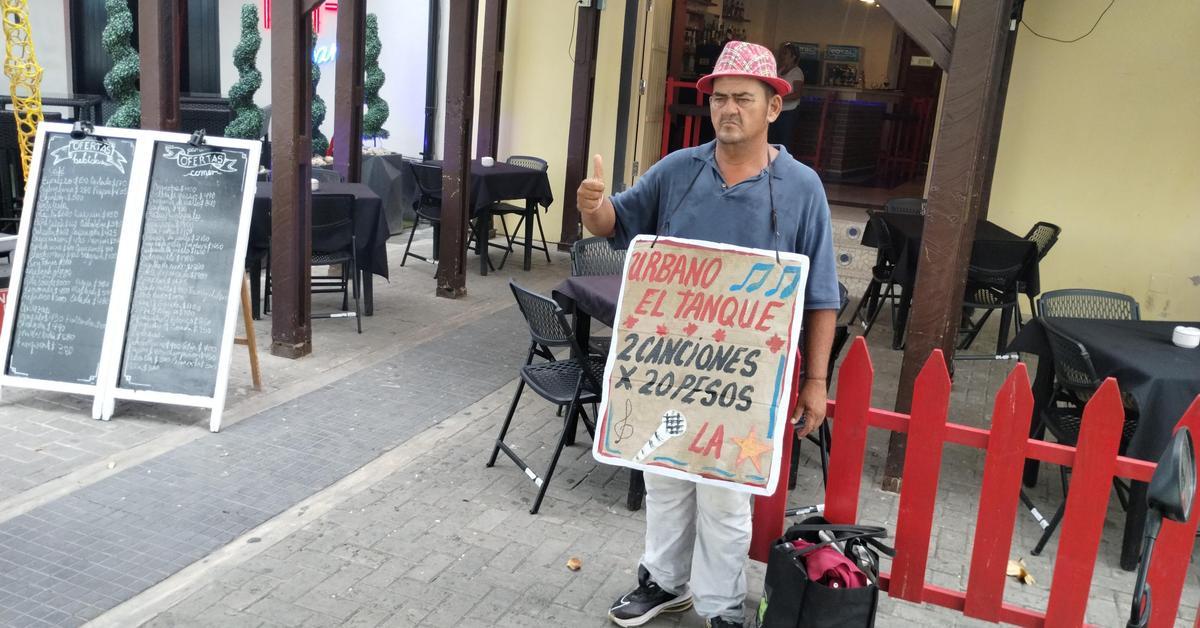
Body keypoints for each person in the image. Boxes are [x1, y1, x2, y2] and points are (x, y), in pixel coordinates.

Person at [576, 40, 839, 628]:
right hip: (671, 369)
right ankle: (665, 582)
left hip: (746, 381)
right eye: (719, 98)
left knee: (726, 494)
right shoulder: (677, 170)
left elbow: (822, 294)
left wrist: (817, 380)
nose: (728, 109)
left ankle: (721, 609)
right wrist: (592, 210)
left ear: (774, 107)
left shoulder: (803, 189)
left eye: (743, 98)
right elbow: (618, 222)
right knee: (664, 477)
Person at [767, 42, 805, 150]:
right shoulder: (780, 70)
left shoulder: (797, 72)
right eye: (782, 53)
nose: (782, 56)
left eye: (785, 53)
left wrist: (780, 99)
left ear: (793, 57)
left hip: (789, 111)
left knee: (784, 141)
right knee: (772, 139)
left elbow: (797, 94)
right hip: (777, 111)